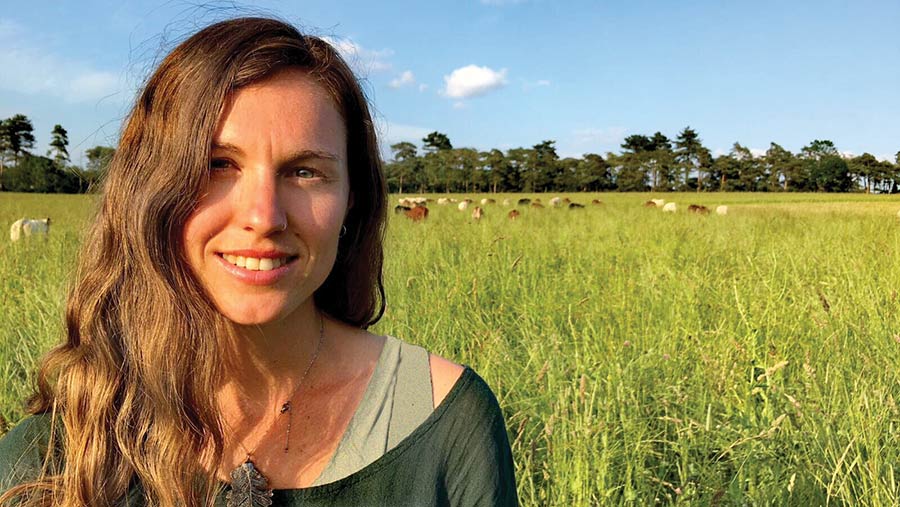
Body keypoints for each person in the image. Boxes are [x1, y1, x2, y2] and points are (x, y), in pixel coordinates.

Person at [0, 17, 517, 506]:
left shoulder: (441, 419)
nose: (264, 216)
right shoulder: (62, 450)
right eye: (217, 165)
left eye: (306, 171)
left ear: (352, 197)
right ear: (148, 191)